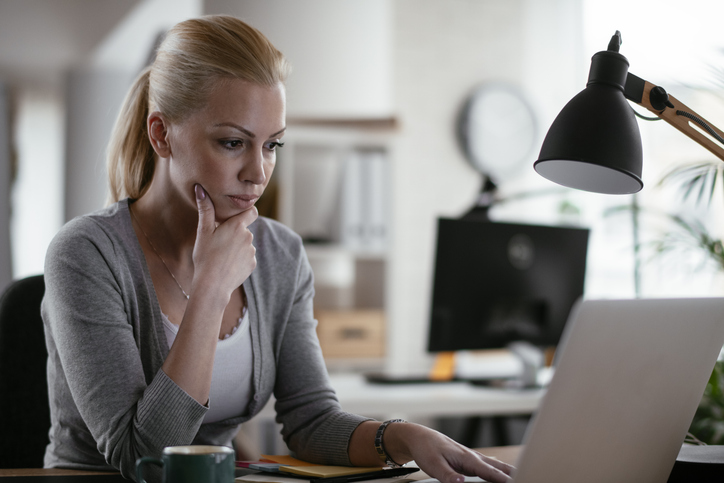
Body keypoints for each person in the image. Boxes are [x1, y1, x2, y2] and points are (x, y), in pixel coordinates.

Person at [41, 15, 514, 483]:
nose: (258, 172)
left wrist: (401, 436)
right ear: (162, 134)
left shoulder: (279, 253)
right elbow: (141, 458)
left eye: (272, 145)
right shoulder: (85, 254)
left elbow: (310, 420)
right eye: (232, 143)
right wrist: (210, 289)